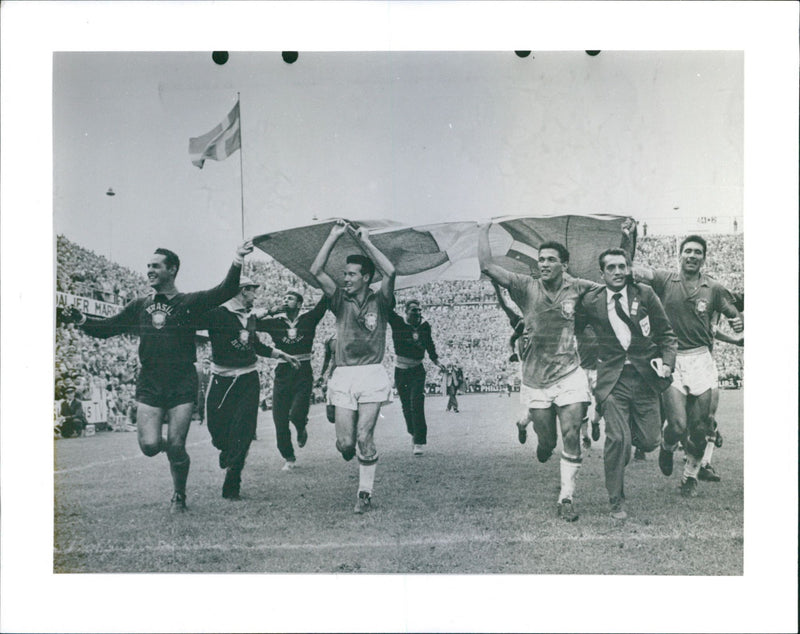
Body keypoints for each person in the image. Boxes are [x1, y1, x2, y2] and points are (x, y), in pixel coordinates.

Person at [57, 240, 253, 512]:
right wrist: (80, 320)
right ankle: (172, 453)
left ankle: (179, 496)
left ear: (172, 270)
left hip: (182, 381)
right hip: (150, 381)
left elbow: (226, 289)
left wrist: (238, 258)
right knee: (149, 446)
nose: (149, 270)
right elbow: (108, 327)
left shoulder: (189, 302)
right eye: (148, 265)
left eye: (156, 266)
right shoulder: (140, 305)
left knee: (176, 445)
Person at [479, 221, 633, 521]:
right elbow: (486, 265)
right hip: (536, 379)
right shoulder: (525, 286)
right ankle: (541, 440)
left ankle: (566, 498)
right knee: (548, 440)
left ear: (564, 264)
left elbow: (617, 281)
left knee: (572, 433)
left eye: (550, 260)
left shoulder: (578, 287)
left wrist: (628, 238)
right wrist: (482, 228)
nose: (544, 264)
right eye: (541, 260)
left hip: (569, 373)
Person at [633, 234, 743, 497]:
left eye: (697, 252)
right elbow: (641, 273)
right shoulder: (664, 279)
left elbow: (732, 312)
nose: (692, 256)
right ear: (679, 254)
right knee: (678, 425)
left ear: (704, 258)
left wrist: (737, 321)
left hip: (702, 359)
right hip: (672, 359)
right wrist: (628, 255)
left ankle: (691, 476)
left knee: (702, 426)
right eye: (688, 251)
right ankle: (668, 448)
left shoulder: (713, 288)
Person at [577, 248, 677, 519]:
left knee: (649, 440)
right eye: (611, 267)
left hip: (646, 378)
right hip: (613, 379)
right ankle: (616, 500)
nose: (618, 272)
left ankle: (630, 433)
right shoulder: (590, 301)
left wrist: (667, 361)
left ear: (629, 269)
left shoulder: (645, 294)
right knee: (617, 439)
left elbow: (666, 333)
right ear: (602, 273)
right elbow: (571, 325)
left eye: (622, 266)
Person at [309, 220, 395, 514]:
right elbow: (316, 271)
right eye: (344, 274)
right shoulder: (337, 299)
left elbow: (391, 271)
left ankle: (365, 494)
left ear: (366, 277)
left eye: (351, 274)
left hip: (371, 373)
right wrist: (333, 236)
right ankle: (339, 420)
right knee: (346, 445)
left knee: (364, 438)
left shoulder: (381, 300)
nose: (345, 278)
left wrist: (366, 241)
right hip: (343, 374)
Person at [195, 276, 300, 499]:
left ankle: (233, 479)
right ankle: (226, 451)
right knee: (217, 431)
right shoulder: (217, 314)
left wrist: (282, 354)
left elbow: (256, 345)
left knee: (243, 430)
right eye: (253, 291)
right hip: (221, 379)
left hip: (248, 378)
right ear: (243, 291)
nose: (256, 295)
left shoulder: (250, 317)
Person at [254, 289, 328, 471]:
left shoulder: (308, 319)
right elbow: (250, 323)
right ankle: (289, 456)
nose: (285, 300)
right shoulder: (275, 322)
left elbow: (324, 304)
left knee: (296, 414)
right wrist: (271, 310)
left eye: (290, 298)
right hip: (283, 371)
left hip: (303, 370)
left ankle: (301, 427)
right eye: (284, 297)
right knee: (279, 418)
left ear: (300, 304)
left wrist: (328, 280)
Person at [388, 300, 446, 455]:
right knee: (406, 406)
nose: (418, 314)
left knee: (417, 404)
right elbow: (387, 306)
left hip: (417, 369)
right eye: (414, 311)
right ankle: (413, 433)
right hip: (401, 369)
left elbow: (429, 344)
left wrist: (436, 361)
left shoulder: (424, 326)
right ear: (406, 312)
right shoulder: (398, 323)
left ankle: (419, 441)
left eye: (419, 311)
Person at [196, 357, 212, 425]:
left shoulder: (211, 373)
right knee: (200, 406)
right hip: (200, 391)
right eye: (204, 363)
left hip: (209, 391)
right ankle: (202, 419)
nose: (205, 365)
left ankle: (209, 420)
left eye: (207, 363)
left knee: (209, 405)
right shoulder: (199, 372)